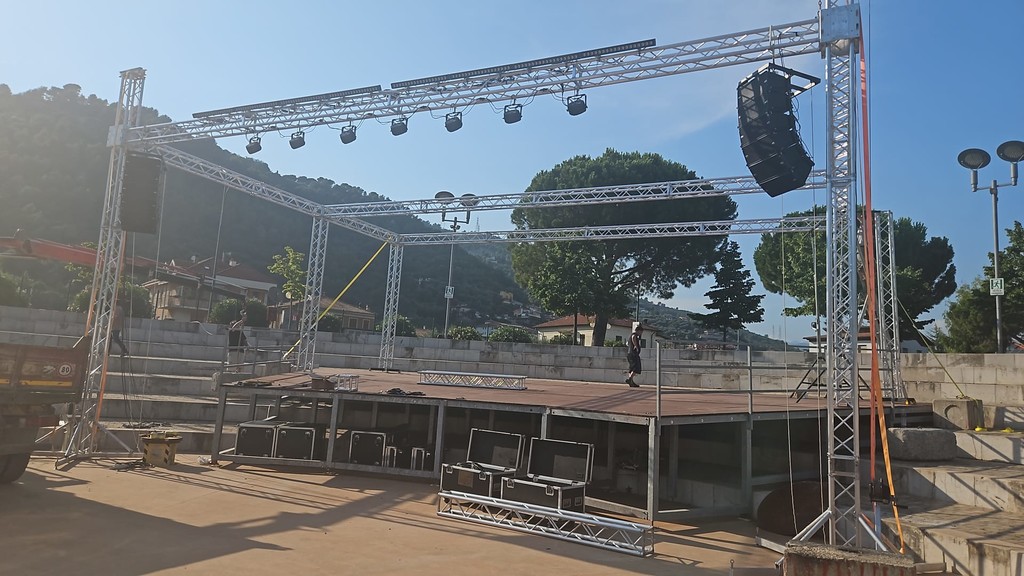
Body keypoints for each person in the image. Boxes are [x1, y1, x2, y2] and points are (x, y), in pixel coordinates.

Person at [625, 323, 643, 387]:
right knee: (636, 367)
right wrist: (636, 346)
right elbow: (633, 338)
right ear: (638, 331)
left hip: (630, 354)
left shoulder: (632, 336)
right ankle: (630, 379)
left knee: (632, 368)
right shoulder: (634, 335)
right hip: (633, 354)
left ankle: (631, 382)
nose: (641, 333)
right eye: (641, 332)